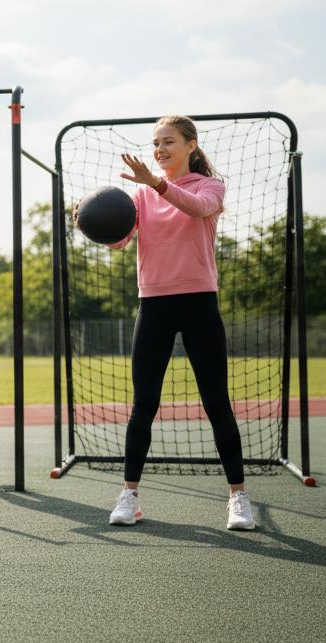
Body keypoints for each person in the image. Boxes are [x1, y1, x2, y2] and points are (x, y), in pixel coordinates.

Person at [80, 115, 256, 531]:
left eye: (168, 142)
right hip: (154, 305)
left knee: (216, 402)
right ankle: (130, 496)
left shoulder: (209, 187)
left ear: (190, 146)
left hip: (199, 303)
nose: (159, 150)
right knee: (144, 406)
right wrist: (88, 223)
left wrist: (157, 184)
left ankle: (238, 497)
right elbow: (123, 238)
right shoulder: (142, 193)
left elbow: (196, 208)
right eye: (155, 143)